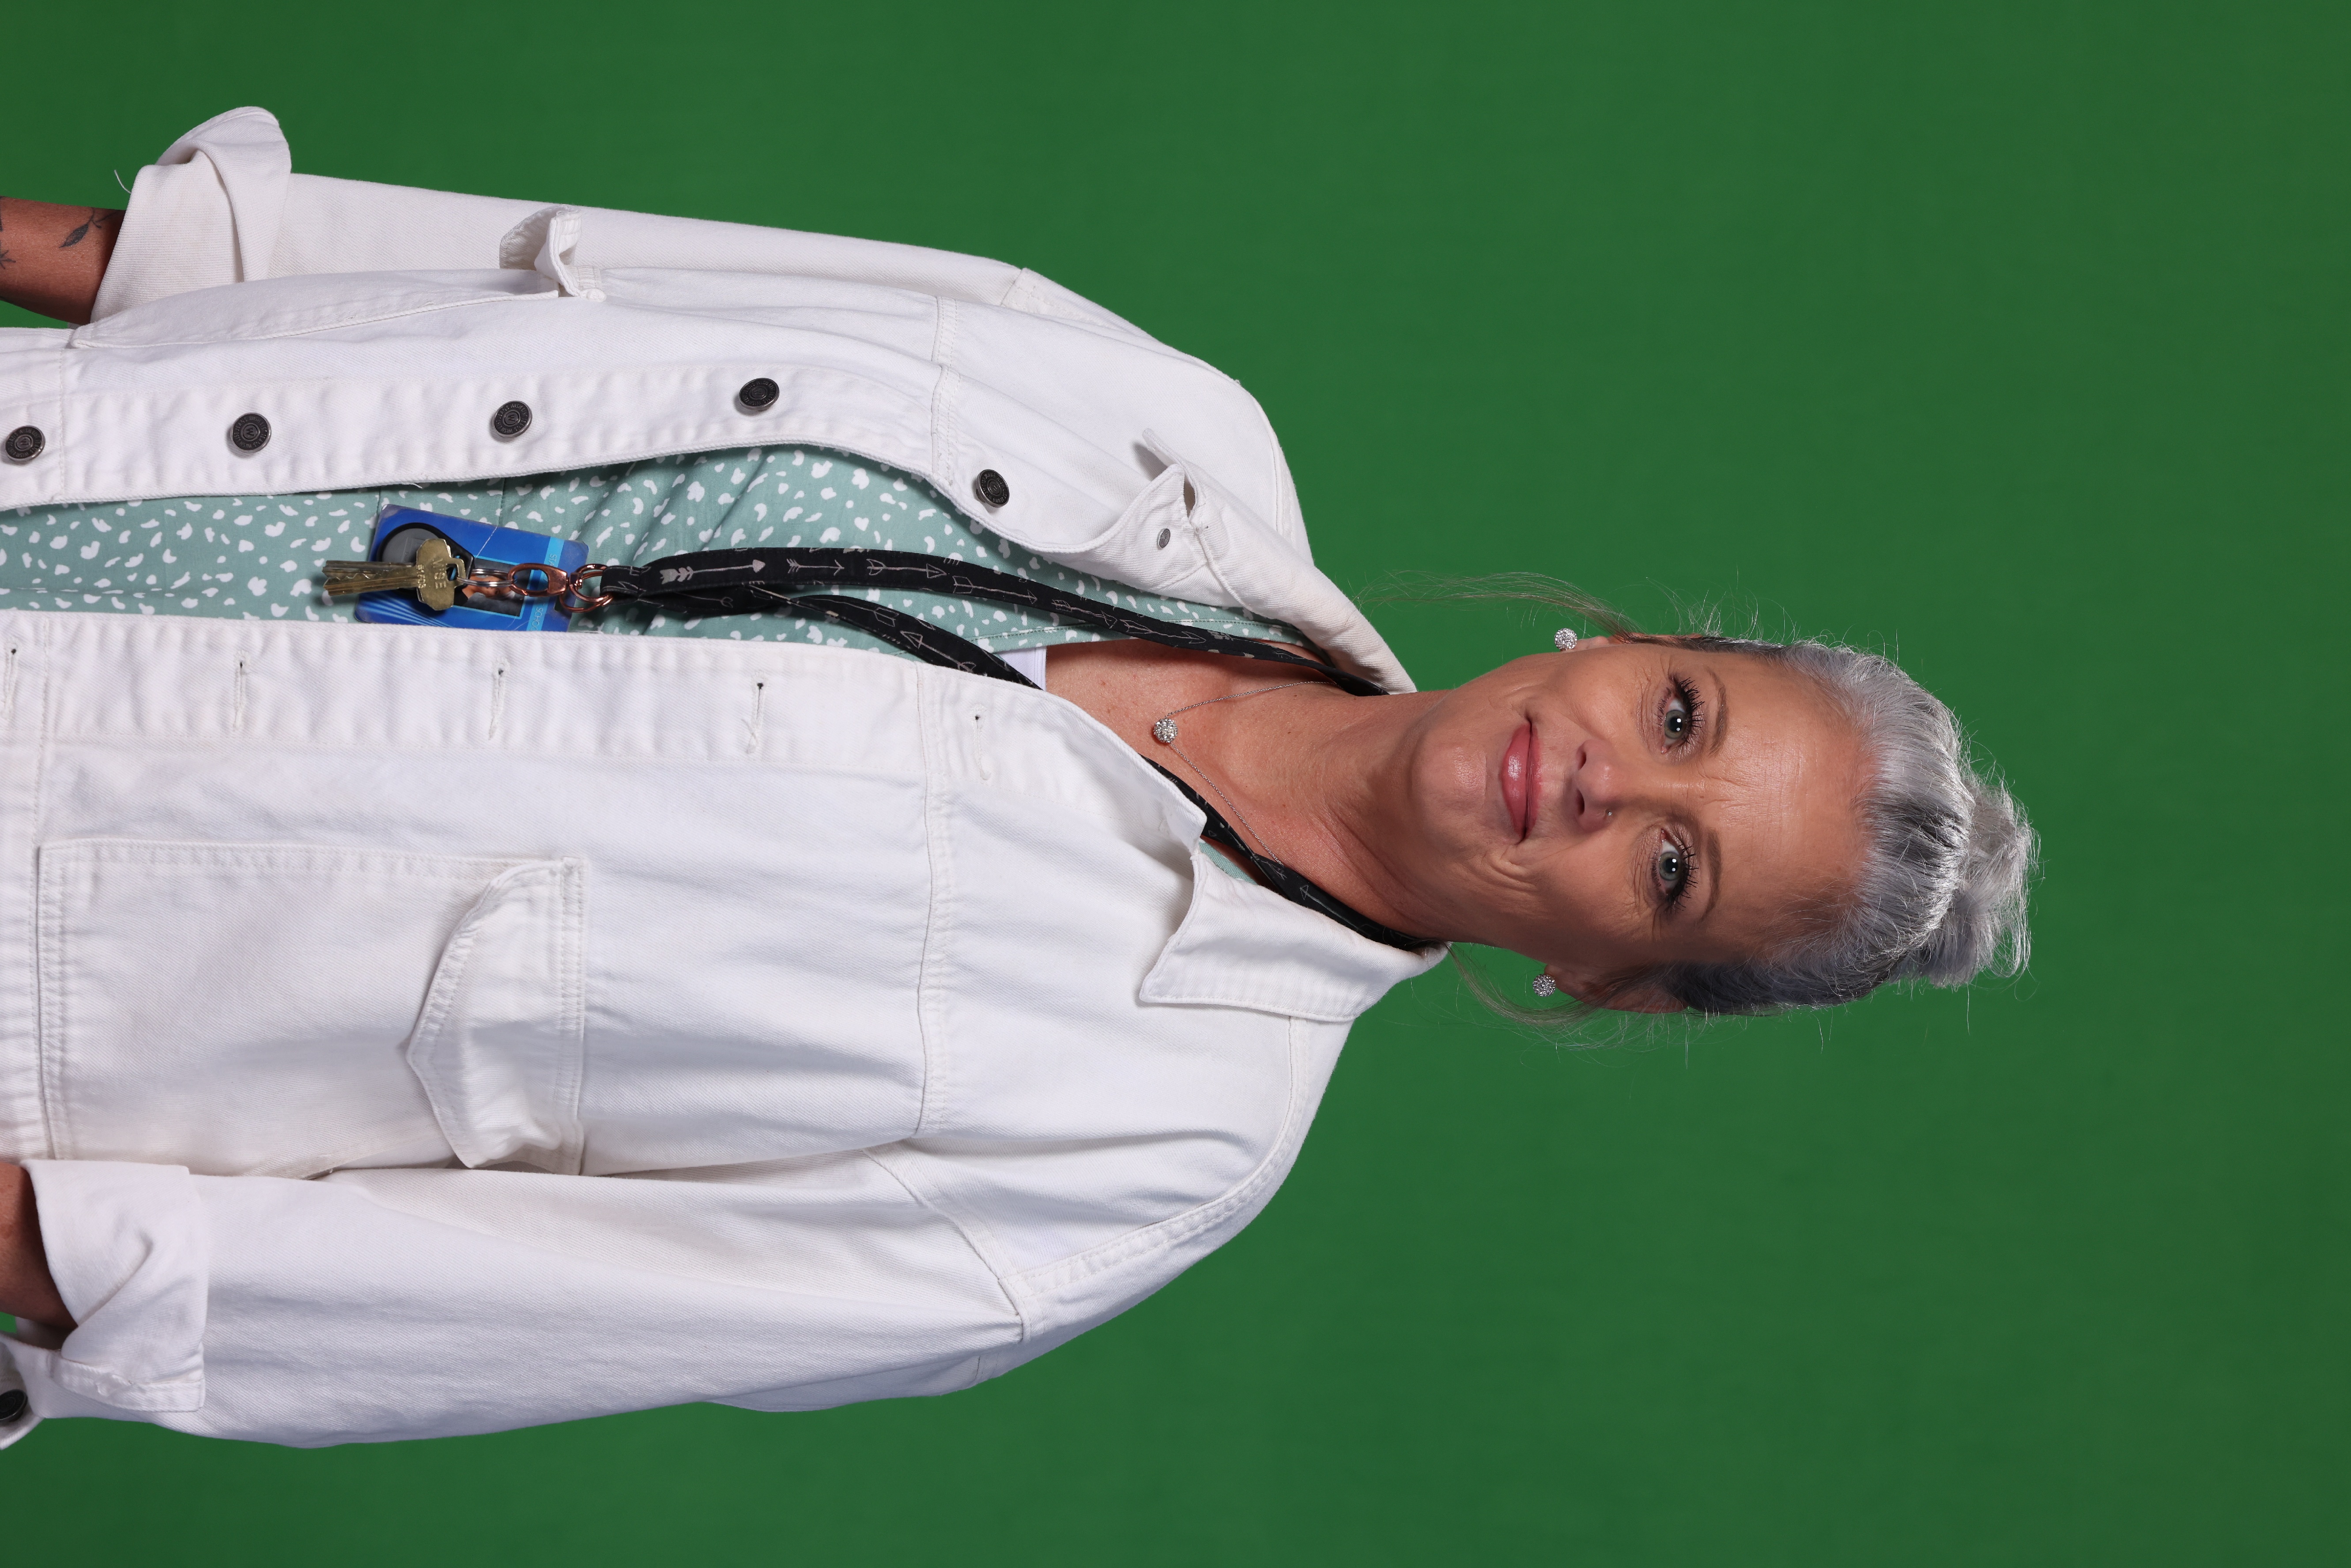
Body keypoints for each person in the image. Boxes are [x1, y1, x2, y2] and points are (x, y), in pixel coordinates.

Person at [0, 109, 2033, 1449]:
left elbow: (326, 1303)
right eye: (1682, 722)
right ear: (1615, 643)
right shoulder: (1151, 414)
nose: (1605, 790)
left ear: (1610, 983)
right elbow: (424, 272)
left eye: (1673, 875)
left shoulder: (1132, 1161)